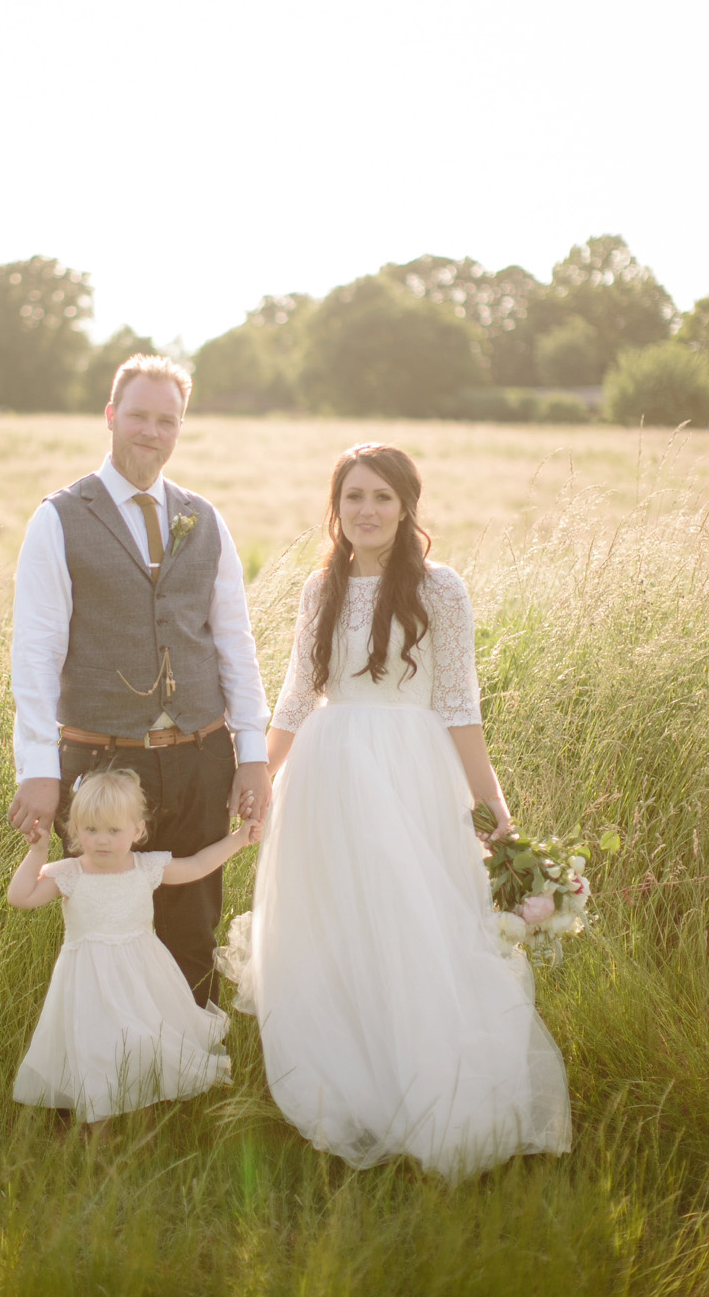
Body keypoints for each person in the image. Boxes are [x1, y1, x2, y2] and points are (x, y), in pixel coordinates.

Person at [218, 443, 571, 1181]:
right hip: (325, 773)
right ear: (336, 509)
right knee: (336, 932)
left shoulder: (440, 588)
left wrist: (492, 807)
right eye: (353, 498)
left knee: (418, 927)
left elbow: (457, 704)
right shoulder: (322, 589)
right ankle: (352, 1090)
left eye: (381, 496)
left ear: (407, 505)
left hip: (411, 771)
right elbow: (293, 695)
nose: (367, 511)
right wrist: (260, 779)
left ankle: (435, 1096)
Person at [7, 354, 271, 1007]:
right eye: (138, 416)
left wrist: (253, 755)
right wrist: (37, 767)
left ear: (179, 428)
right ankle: (111, 1073)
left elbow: (234, 643)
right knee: (106, 929)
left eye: (167, 420)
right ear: (110, 416)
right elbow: (35, 653)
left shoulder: (203, 518)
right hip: (101, 761)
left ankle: (191, 1070)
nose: (151, 432)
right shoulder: (59, 518)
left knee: (192, 922)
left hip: (201, 755)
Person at [8, 769, 263, 1123]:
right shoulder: (70, 872)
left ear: (137, 830)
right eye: (91, 830)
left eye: (114, 830)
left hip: (141, 974)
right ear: (75, 831)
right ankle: (99, 1124)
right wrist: (37, 851)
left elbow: (198, 865)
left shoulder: (146, 867)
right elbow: (20, 897)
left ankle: (143, 1113)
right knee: (96, 1045)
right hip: (88, 980)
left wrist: (239, 839)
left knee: (143, 1038)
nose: (102, 840)